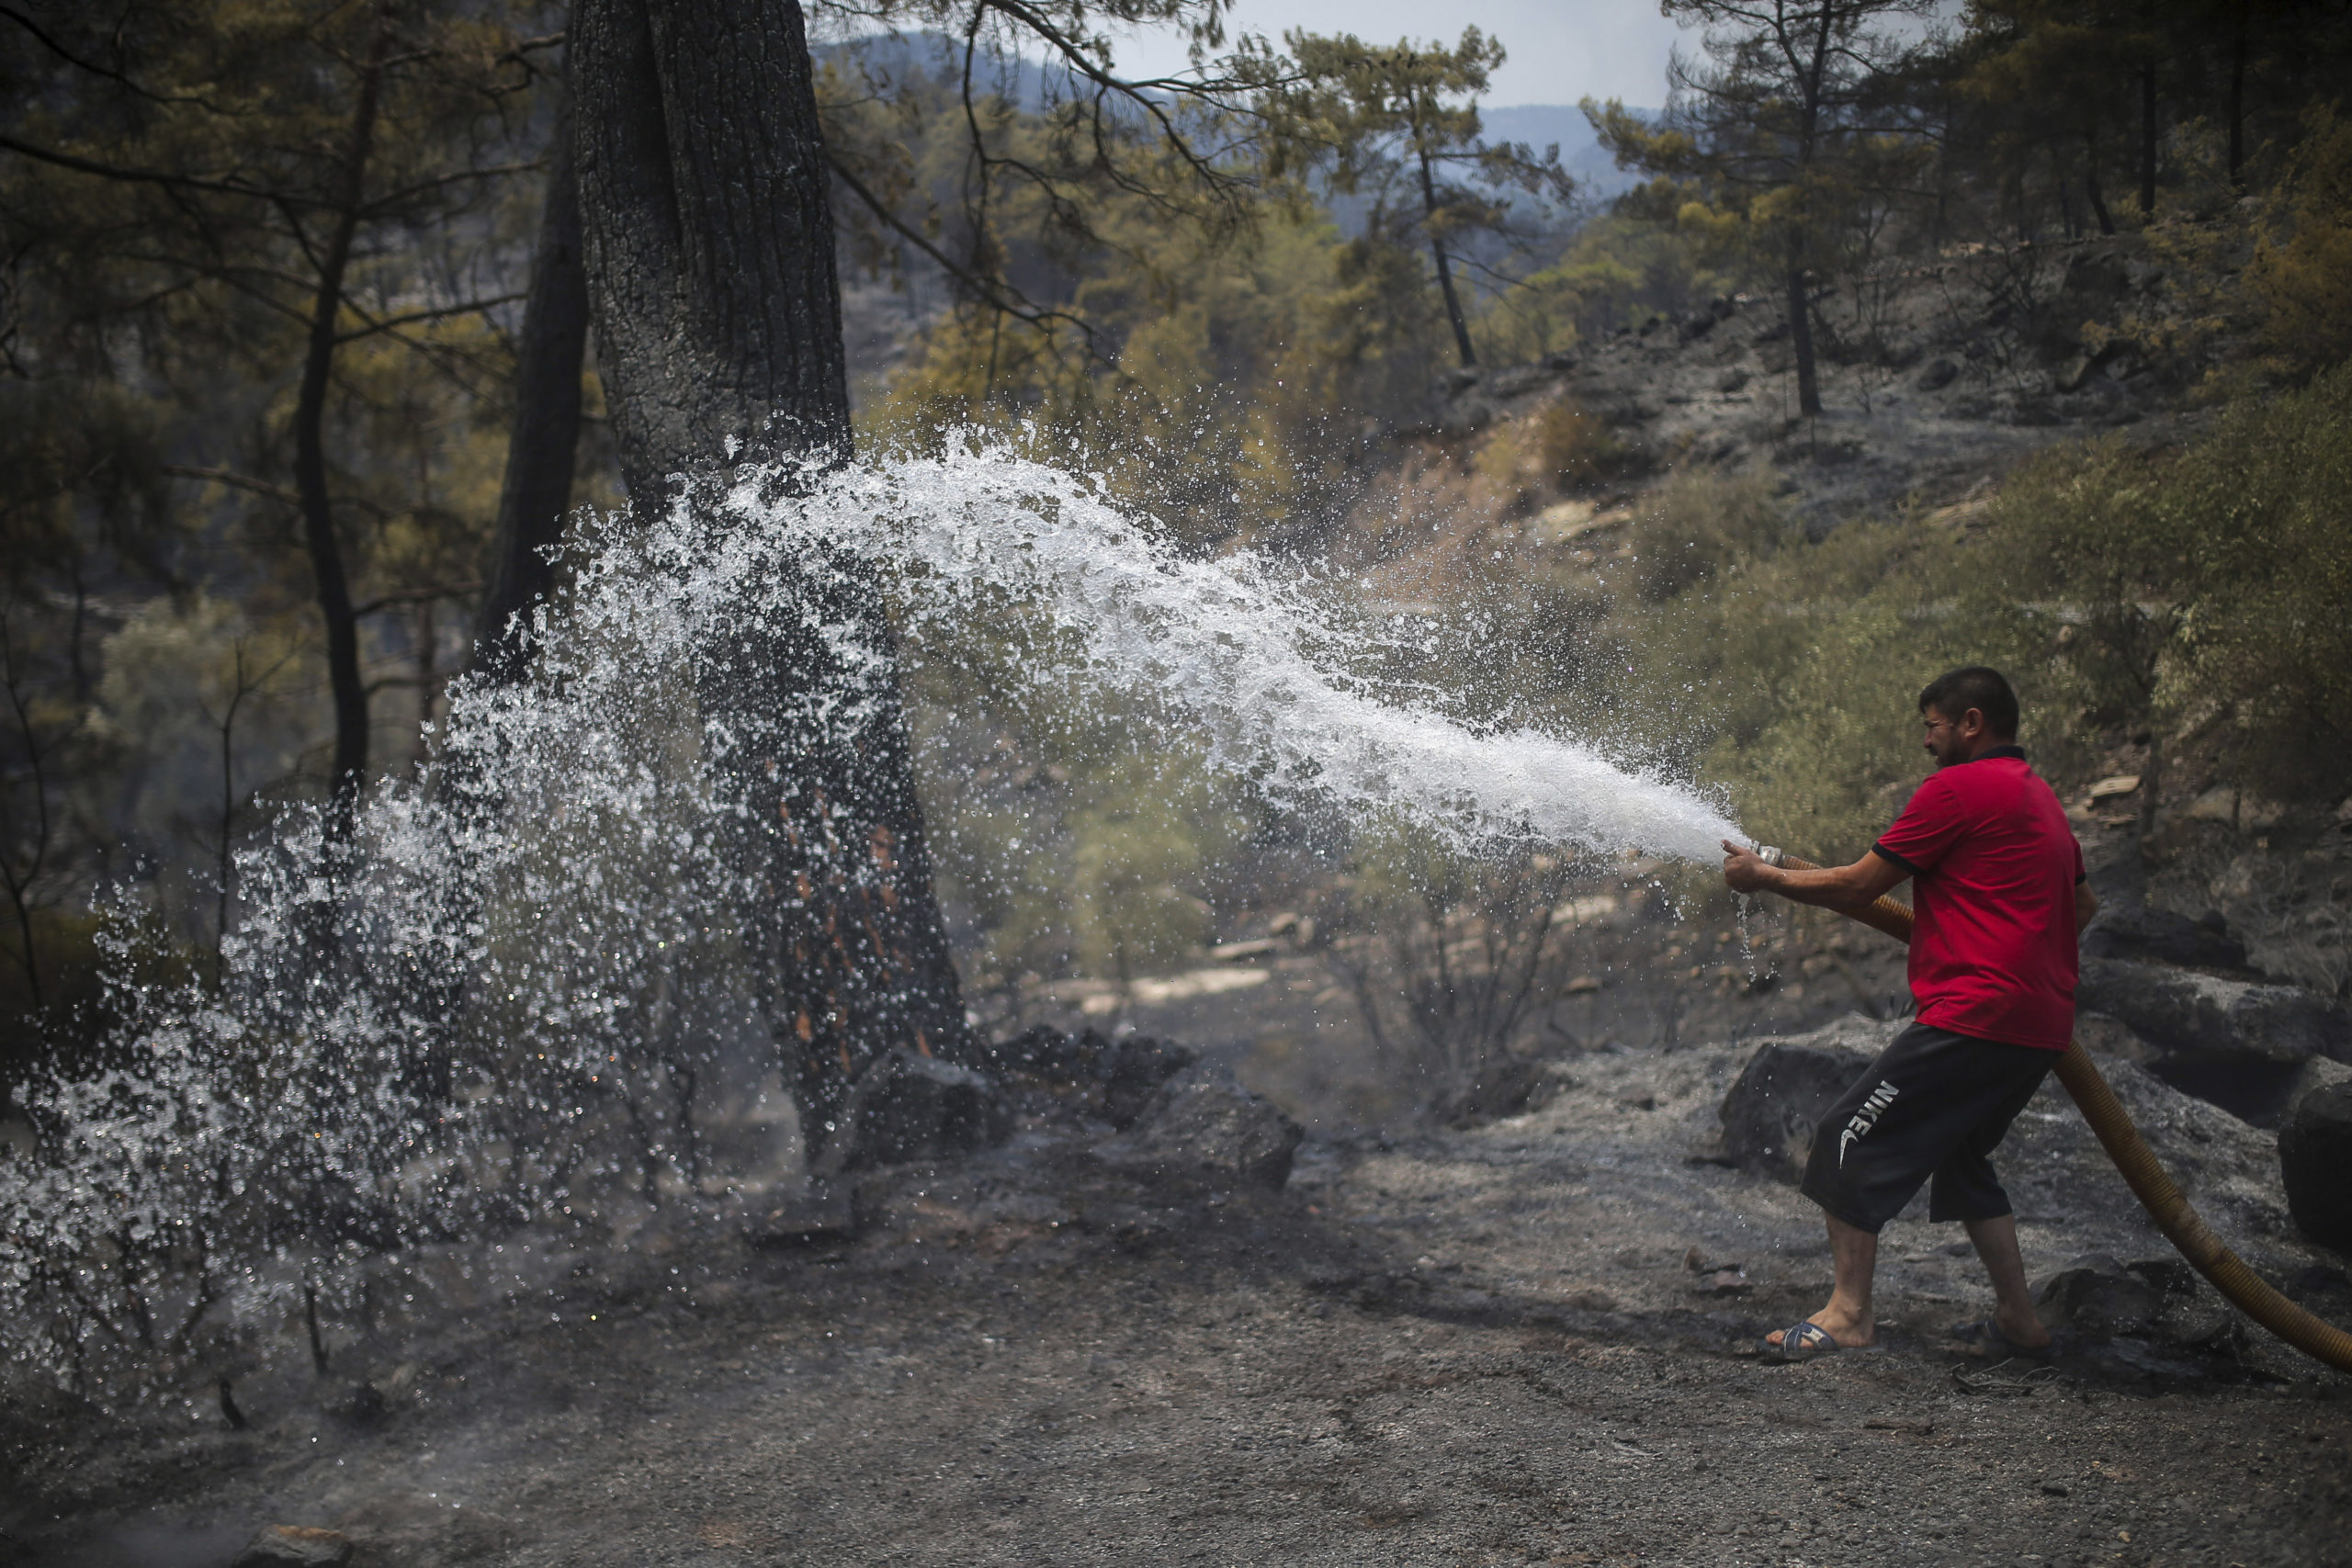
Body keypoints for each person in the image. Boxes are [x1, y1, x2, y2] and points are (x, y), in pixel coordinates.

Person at [1718, 666, 2098, 1362]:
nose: (1927, 742)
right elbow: (2086, 906)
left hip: (1975, 1014)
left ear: (1971, 723)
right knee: (1963, 1153)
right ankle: (2021, 1321)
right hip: (2040, 1024)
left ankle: (1848, 1314)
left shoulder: (1957, 788)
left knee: (1844, 1138)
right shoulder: (2039, 798)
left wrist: (1764, 876)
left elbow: (1862, 885)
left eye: (1933, 726)